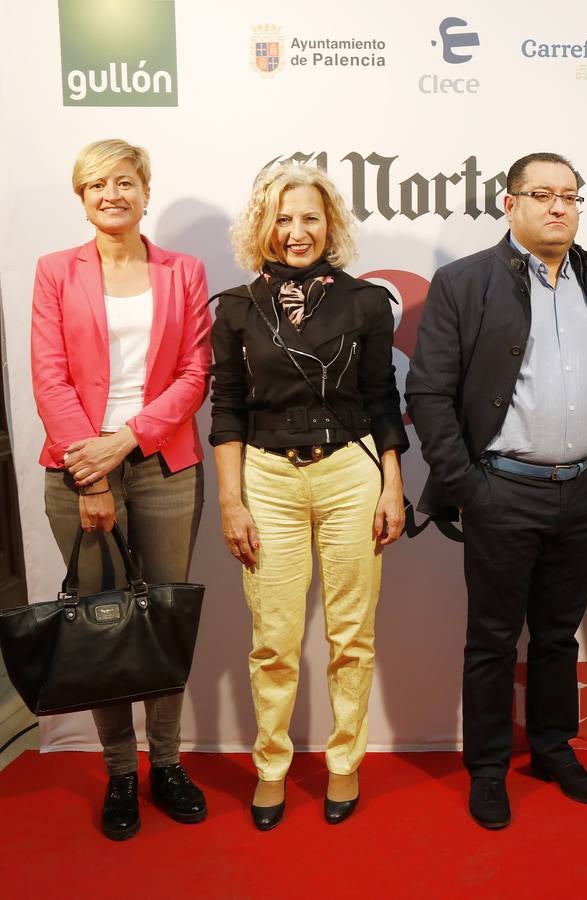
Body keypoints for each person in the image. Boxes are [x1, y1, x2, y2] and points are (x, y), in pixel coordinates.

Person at [407, 152, 587, 830]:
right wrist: (468, 486)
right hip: (503, 491)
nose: (558, 207)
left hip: (580, 492)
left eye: (569, 196)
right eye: (541, 194)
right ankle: (489, 767)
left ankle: (553, 748)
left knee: (557, 636)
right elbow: (429, 392)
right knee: (493, 639)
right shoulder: (464, 282)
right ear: (509, 203)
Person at [210, 162, 408, 830]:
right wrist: (232, 502)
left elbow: (384, 399)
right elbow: (227, 409)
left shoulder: (364, 302)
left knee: (352, 636)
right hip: (266, 480)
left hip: (351, 473)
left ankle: (344, 760)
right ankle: (272, 766)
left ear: (331, 225)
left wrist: (392, 486)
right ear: (264, 227)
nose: (297, 232)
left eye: (310, 218)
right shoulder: (236, 307)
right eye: (284, 219)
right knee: (273, 639)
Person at [31, 138, 211, 840]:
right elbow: (49, 374)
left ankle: (166, 763)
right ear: (81, 196)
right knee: (104, 624)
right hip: (78, 471)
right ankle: (118, 773)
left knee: (161, 620)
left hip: (164, 465)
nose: (112, 193)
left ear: (145, 191)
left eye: (125, 180)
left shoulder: (183, 271)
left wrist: (130, 437)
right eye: (97, 183)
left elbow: (194, 374)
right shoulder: (54, 272)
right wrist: (95, 469)